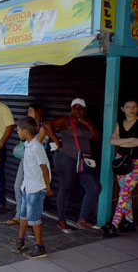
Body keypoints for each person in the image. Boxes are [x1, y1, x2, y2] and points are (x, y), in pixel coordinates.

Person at [44, 98, 102, 231]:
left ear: (85, 109)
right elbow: (47, 124)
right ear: (71, 109)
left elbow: (97, 138)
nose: (78, 110)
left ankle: (82, 219)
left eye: (80, 108)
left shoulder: (87, 122)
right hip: (66, 157)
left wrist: (88, 125)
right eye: (75, 107)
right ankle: (61, 220)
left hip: (83, 161)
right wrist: (57, 142)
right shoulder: (66, 121)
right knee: (66, 187)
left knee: (94, 188)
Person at [11, 117, 53, 259]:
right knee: (23, 215)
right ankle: (20, 240)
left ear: (25, 131)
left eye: (18, 129)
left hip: (36, 188)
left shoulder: (36, 147)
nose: (17, 131)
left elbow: (45, 169)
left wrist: (48, 188)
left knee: (34, 219)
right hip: (27, 187)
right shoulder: (28, 145)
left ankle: (40, 247)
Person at [6, 104, 49, 225]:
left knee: (32, 191)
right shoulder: (26, 128)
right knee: (18, 186)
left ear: (38, 112)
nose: (27, 113)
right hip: (25, 161)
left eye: (30, 111)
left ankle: (29, 216)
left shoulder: (42, 128)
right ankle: (20, 214)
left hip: (35, 164)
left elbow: (37, 143)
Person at [108, 98, 138, 233]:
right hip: (121, 161)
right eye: (128, 107)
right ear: (122, 109)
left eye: (134, 107)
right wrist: (131, 139)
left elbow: (136, 143)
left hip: (136, 163)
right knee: (125, 193)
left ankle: (114, 224)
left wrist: (121, 142)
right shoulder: (120, 122)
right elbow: (112, 140)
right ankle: (130, 221)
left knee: (124, 192)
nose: (131, 110)